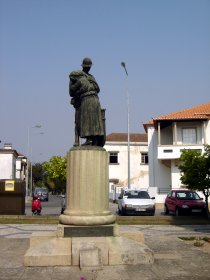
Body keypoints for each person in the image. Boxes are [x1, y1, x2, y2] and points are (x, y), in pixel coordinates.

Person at [69, 57, 105, 147]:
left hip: (94, 100)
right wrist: (79, 89)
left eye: (89, 66)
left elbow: (98, 89)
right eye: (87, 66)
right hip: (85, 99)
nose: (88, 68)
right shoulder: (76, 76)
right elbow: (71, 92)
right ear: (83, 66)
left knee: (95, 120)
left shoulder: (92, 77)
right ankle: (89, 139)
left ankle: (94, 140)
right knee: (87, 120)